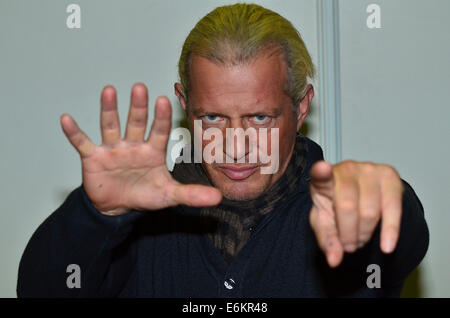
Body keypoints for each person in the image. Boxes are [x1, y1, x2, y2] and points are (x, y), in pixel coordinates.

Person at [17, 3, 428, 297]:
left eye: (260, 118)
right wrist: (96, 217)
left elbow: (400, 243)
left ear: (300, 107)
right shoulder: (139, 217)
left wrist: (387, 201)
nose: (236, 144)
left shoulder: (338, 209)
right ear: (184, 104)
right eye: (212, 117)